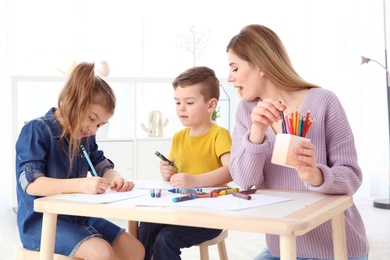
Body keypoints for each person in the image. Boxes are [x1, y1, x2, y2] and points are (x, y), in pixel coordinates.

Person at [226, 24, 369, 260]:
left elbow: (352, 177)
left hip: (336, 248)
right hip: (282, 247)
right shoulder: (246, 112)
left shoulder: (324, 102)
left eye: (234, 67)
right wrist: (257, 133)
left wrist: (316, 176)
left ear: (260, 65)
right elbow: (245, 182)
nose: (230, 77)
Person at [15, 62, 145, 260]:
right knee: (102, 252)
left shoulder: (84, 135)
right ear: (73, 101)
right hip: (41, 223)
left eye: (100, 124)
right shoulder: (37, 131)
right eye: (92, 118)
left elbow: (101, 164)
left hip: (77, 216)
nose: (93, 129)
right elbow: (32, 184)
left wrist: (116, 178)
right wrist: (81, 185)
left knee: (135, 249)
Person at [138, 66, 232, 260]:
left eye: (189, 102)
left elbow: (231, 171)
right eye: (177, 102)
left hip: (210, 216)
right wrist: (167, 173)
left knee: (165, 239)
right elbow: (176, 175)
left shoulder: (218, 135)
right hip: (180, 209)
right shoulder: (178, 137)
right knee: (145, 227)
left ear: (211, 105)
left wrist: (195, 181)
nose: (181, 107)